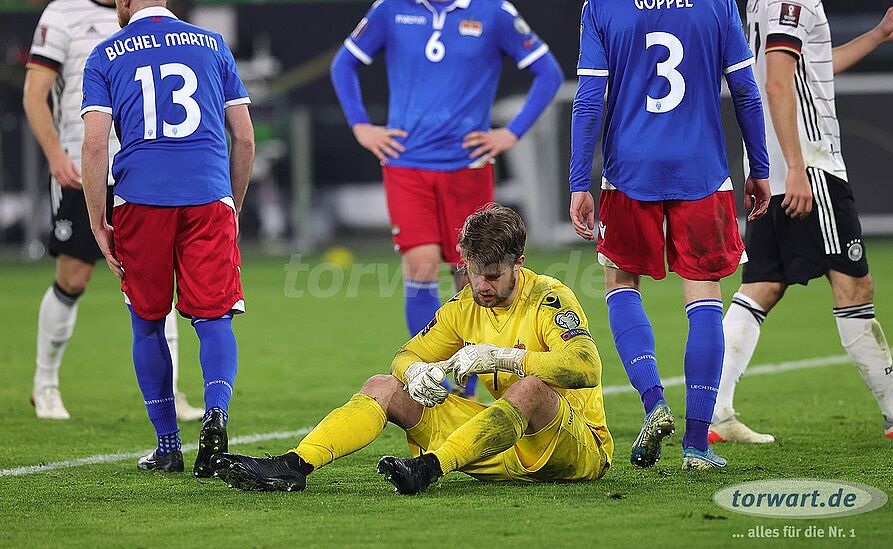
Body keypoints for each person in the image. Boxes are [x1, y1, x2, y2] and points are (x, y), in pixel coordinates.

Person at [210, 205, 613, 494]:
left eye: (493, 275)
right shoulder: (464, 306)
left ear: (518, 263)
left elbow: (587, 366)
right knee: (383, 386)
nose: (482, 285)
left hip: (574, 449)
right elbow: (405, 356)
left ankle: (428, 469)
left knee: (530, 389)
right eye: (474, 273)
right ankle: (293, 466)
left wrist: (503, 358)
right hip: (500, 443)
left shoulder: (549, 298)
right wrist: (415, 373)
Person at [569, 0, 771, 470]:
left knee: (621, 283)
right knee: (704, 294)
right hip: (701, 169)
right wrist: (759, 167)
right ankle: (697, 446)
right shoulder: (717, 3)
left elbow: (589, 99)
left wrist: (579, 181)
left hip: (629, 169)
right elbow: (745, 89)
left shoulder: (602, 6)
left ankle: (653, 401)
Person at [330, 0, 564, 399]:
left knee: (471, 274)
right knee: (420, 266)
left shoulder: (494, 12)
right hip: (407, 166)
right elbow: (343, 64)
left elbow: (549, 72)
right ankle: (430, 379)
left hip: (467, 167)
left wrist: (511, 132)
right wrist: (361, 126)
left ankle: (466, 386)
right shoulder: (391, 9)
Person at [711, 3, 893, 443]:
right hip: (810, 168)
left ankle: (716, 412)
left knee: (761, 286)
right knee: (854, 286)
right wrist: (798, 167)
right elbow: (777, 83)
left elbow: (809, 70)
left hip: (773, 171)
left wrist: (876, 35)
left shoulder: (765, 3)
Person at [80, 0, 255, 475]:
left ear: (124, 2)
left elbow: (95, 145)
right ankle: (216, 415)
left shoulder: (106, 53)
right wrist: (233, 204)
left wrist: (97, 221)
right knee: (215, 317)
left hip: (140, 200)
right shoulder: (212, 44)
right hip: (208, 195)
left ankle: (168, 446)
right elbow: (244, 137)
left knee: (147, 321)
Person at [22, 0, 202, 421]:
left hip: (141, 168)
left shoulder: (149, 16)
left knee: (158, 278)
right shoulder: (62, 13)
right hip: (81, 166)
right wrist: (55, 155)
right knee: (74, 276)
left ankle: (171, 390)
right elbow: (34, 93)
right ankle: (44, 383)